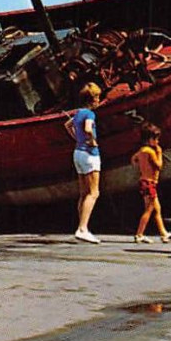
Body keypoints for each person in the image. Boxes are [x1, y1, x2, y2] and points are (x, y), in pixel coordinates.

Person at [65, 83, 103, 243]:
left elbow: (67, 125)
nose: (99, 100)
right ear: (93, 98)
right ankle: (83, 228)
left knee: (83, 193)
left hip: (78, 152)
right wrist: (92, 140)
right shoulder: (89, 114)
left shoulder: (79, 112)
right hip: (89, 154)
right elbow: (88, 129)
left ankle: (82, 226)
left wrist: (77, 139)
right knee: (94, 193)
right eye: (98, 97)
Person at [132, 124, 171, 244]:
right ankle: (139, 234)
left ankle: (164, 234)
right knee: (149, 209)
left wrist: (141, 168)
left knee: (157, 209)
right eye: (156, 139)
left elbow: (133, 159)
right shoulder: (151, 152)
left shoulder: (141, 151)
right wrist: (159, 153)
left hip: (144, 181)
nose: (157, 141)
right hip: (150, 183)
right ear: (149, 139)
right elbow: (159, 165)